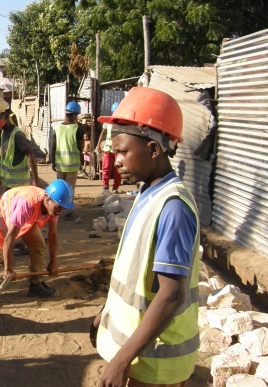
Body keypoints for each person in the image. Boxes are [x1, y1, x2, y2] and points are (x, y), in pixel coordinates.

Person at [89, 87, 200, 387]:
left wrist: (122, 359)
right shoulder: (147, 192)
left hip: (155, 364)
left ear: (153, 150)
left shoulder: (173, 207)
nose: (116, 160)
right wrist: (106, 313)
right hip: (141, 357)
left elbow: (171, 294)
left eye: (123, 151)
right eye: (115, 152)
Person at [0, 179, 75, 311]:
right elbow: (10, 238)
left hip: (26, 217)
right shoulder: (27, 204)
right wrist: (8, 268)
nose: (60, 211)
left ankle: (35, 284)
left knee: (38, 245)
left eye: (63, 208)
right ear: (48, 200)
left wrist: (53, 261)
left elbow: (52, 235)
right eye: (59, 207)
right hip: (3, 213)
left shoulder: (54, 206)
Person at [0, 98, 39, 189]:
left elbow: (31, 154)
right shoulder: (4, 133)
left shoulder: (17, 135)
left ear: (6, 117)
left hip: (19, 185)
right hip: (9, 182)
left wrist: (35, 180)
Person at [51, 101, 84, 220]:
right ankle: (68, 212)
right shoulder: (77, 129)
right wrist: (82, 162)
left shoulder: (57, 128)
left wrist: (52, 161)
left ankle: (56, 209)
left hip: (60, 164)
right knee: (69, 189)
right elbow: (80, 147)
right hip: (72, 165)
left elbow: (53, 146)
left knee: (60, 188)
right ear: (75, 116)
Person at [96, 101, 122, 194]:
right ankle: (105, 187)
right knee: (106, 168)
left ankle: (115, 187)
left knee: (117, 169)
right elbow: (103, 133)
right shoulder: (107, 121)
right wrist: (98, 144)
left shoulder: (122, 122)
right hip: (107, 149)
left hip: (117, 150)